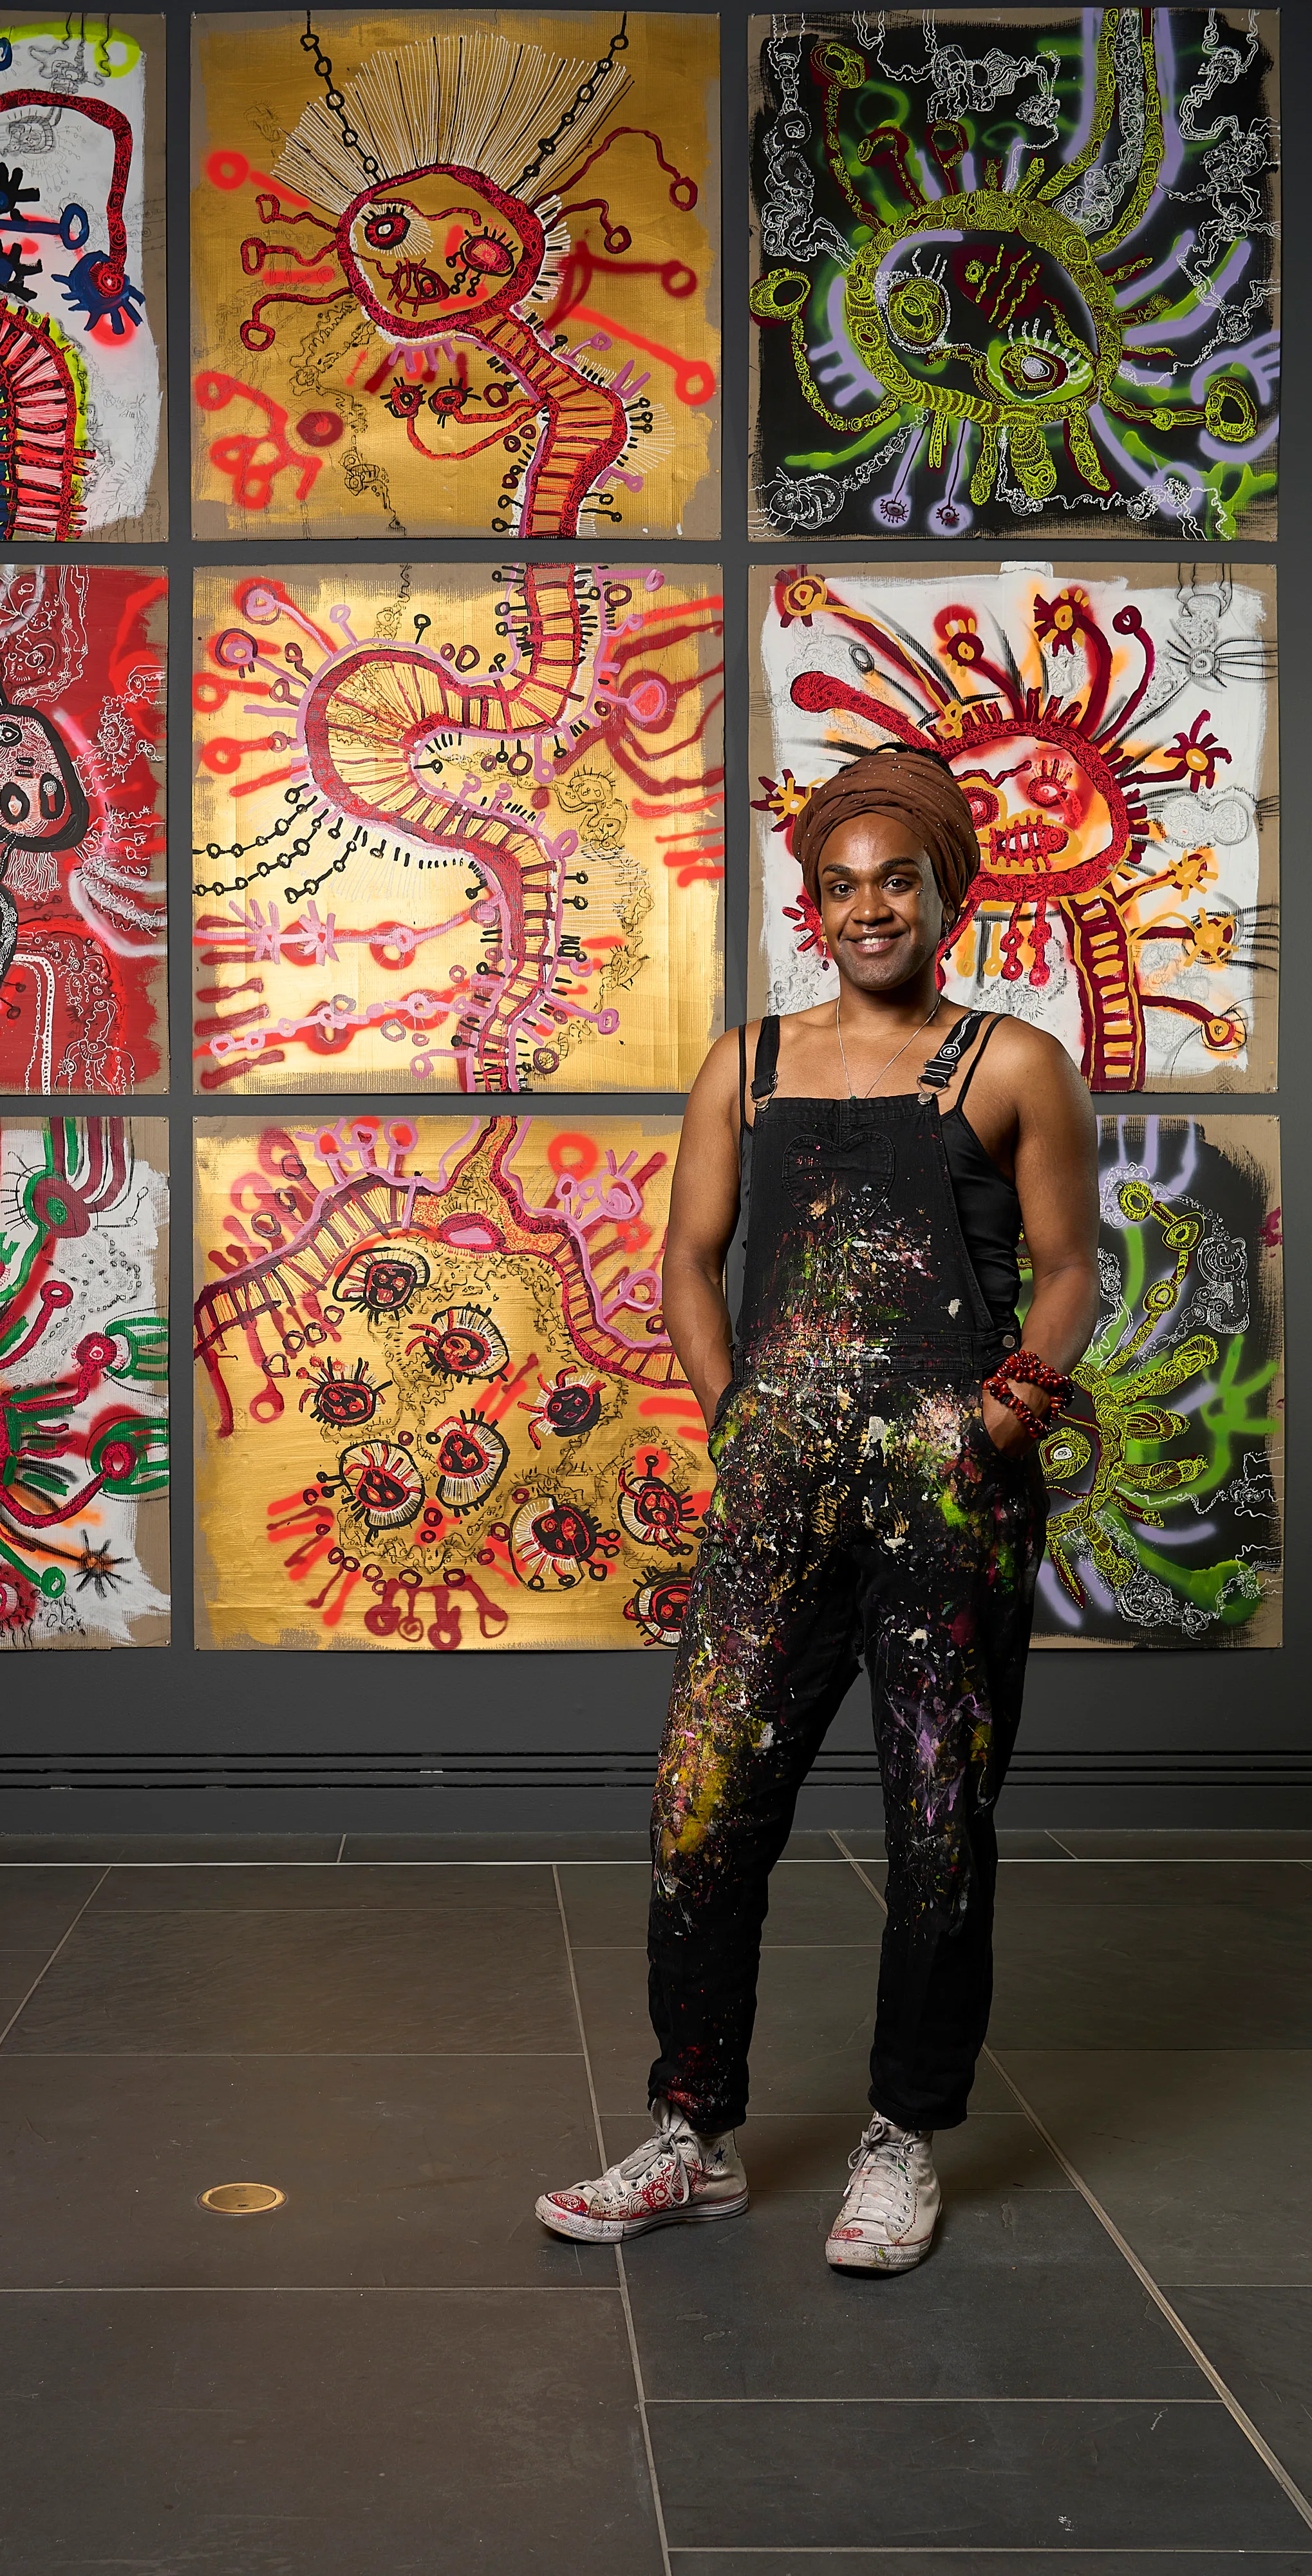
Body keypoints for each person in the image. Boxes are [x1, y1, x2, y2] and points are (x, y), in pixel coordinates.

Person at [537, 743, 1100, 2271]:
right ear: (811, 903)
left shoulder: (1011, 1063)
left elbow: (1068, 1273)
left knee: (935, 1821)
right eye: (840, 886)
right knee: (703, 1805)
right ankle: (688, 2132)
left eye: (894, 881)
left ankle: (901, 2137)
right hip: (776, 1488)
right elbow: (686, 1259)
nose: (867, 908)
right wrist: (736, 1414)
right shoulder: (750, 1061)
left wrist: (992, 1420)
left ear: (943, 894)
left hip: (949, 1497)